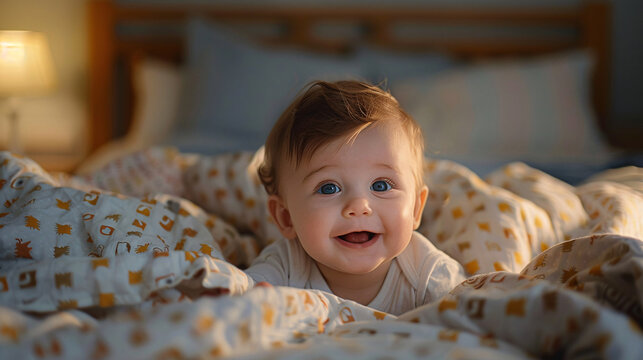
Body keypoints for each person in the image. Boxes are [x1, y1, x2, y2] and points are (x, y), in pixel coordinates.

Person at [245, 80, 465, 315]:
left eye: (381, 185)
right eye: (329, 188)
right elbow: (239, 295)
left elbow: (471, 314)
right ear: (286, 217)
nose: (359, 206)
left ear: (415, 209)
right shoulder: (286, 265)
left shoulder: (429, 273)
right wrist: (248, 298)